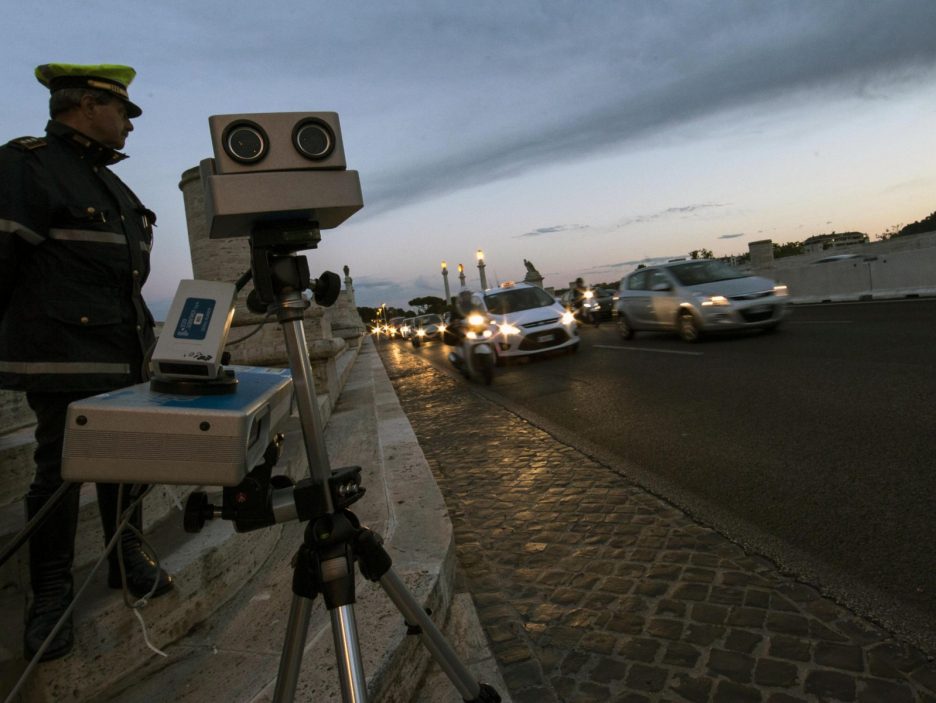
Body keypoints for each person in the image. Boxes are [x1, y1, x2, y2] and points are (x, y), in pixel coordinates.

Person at [0, 63, 172, 662]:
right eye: (122, 111)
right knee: (59, 473)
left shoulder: (114, 188)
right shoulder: (27, 164)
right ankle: (50, 592)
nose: (128, 124)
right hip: (61, 354)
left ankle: (127, 556)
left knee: (125, 459)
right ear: (85, 104)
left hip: (122, 353)